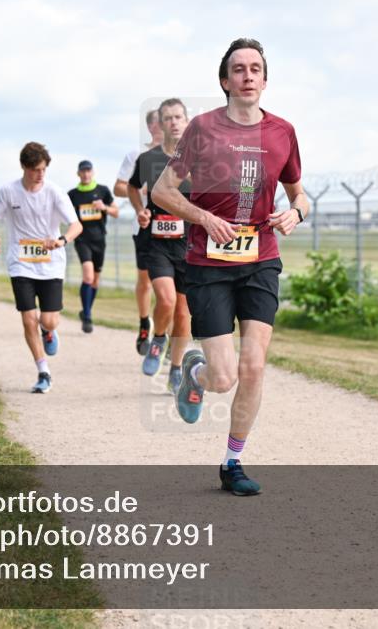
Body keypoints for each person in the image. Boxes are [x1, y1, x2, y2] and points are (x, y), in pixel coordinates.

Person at [151, 38, 307, 496]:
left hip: (260, 259)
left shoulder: (283, 132)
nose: (247, 76)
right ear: (225, 81)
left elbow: (299, 193)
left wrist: (295, 213)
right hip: (208, 263)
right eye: (238, 69)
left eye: (255, 68)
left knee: (254, 366)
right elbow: (163, 191)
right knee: (224, 379)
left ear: (264, 78)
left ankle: (232, 462)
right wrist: (204, 217)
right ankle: (196, 374)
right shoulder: (201, 129)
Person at [0, 142, 83, 394]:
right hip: (21, 263)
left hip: (50, 265)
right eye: (35, 169)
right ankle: (43, 371)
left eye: (43, 169)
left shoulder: (54, 192)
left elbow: (76, 225)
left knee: (48, 320)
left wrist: (61, 240)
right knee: (28, 319)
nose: (40, 174)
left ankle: (48, 331)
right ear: (24, 167)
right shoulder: (8, 191)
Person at [129, 99, 193, 393]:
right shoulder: (148, 160)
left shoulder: (201, 160)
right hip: (157, 243)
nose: (175, 122)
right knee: (165, 301)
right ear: (160, 125)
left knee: (183, 313)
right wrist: (140, 209)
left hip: (190, 246)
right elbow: (132, 187)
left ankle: (176, 368)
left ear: (187, 120)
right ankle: (157, 341)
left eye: (179, 117)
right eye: (168, 118)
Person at [113, 109, 163, 354]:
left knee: (172, 290)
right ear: (152, 126)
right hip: (144, 226)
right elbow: (119, 188)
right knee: (146, 282)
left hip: (175, 228)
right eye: (161, 122)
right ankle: (145, 323)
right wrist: (142, 189)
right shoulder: (137, 155)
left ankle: (164, 335)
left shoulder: (180, 155)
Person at [67, 160, 118, 333]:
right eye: (83, 171)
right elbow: (65, 214)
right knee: (88, 276)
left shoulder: (102, 191)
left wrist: (104, 207)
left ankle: (85, 309)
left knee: (95, 280)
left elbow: (116, 212)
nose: (86, 174)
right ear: (78, 174)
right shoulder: (72, 195)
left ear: (93, 172)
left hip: (99, 240)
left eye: (88, 171)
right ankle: (87, 316)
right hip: (82, 239)